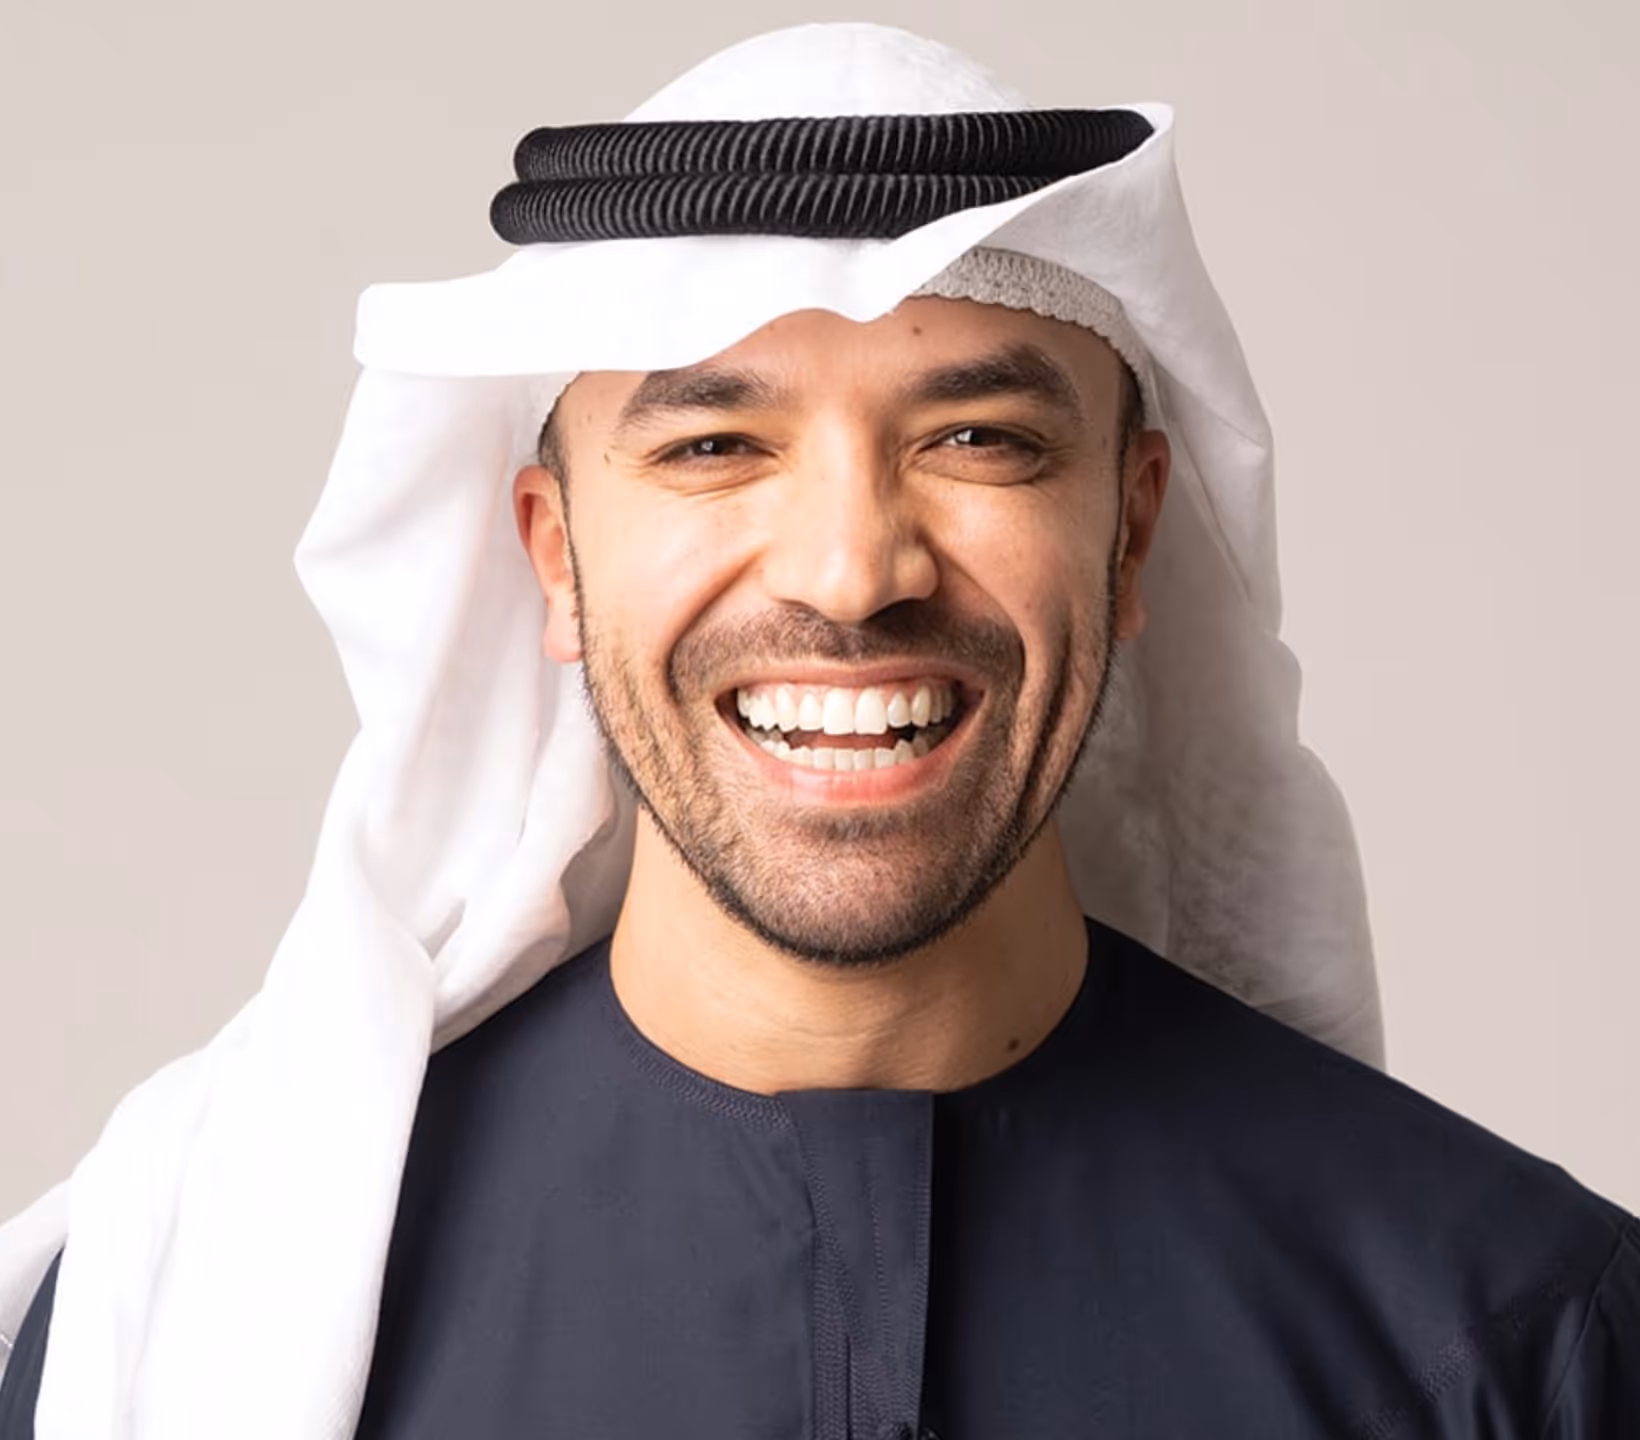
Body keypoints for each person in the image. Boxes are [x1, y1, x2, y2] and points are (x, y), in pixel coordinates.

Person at [0, 21, 1634, 1440]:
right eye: (714, 445)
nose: (853, 573)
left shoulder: (1521, 1336)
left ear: (1131, 535)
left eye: (979, 438)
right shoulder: (187, 1329)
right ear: (554, 554)